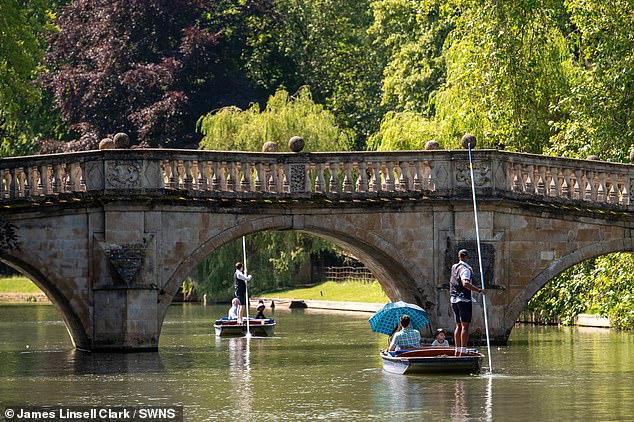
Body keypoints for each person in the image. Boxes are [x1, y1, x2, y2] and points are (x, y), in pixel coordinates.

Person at [450, 249, 487, 355]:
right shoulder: (465, 269)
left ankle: (457, 351)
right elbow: (465, 283)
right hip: (463, 300)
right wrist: (479, 291)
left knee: (458, 325)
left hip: (454, 299)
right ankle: (463, 351)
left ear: (459, 257)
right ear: (466, 258)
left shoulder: (454, 267)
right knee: (465, 326)